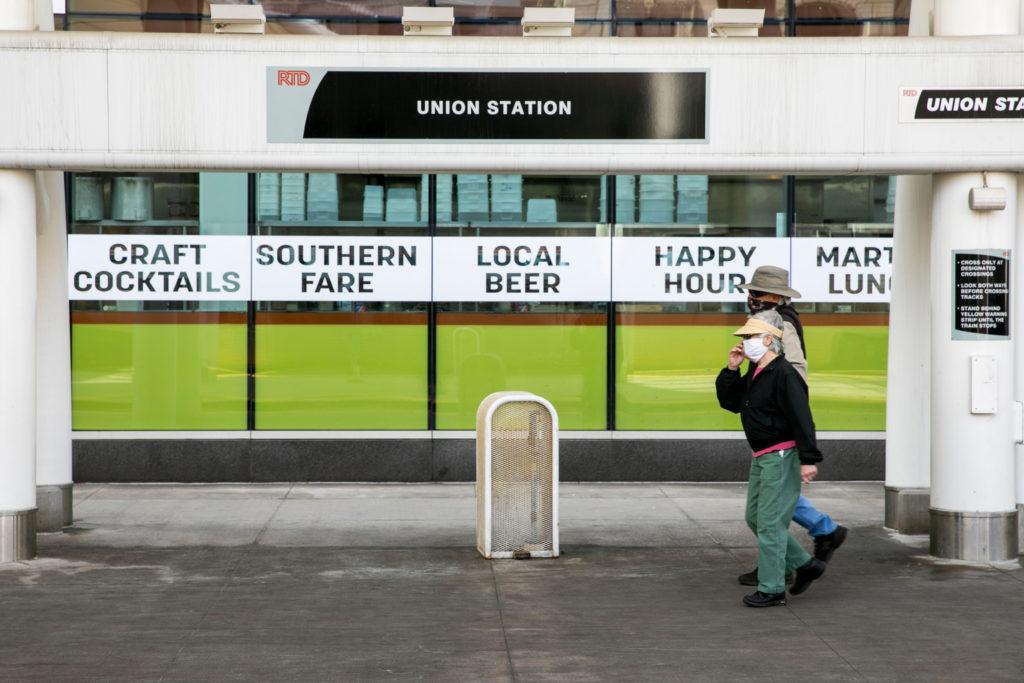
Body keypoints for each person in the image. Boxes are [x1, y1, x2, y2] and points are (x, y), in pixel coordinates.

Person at [735, 266, 848, 588]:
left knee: (772, 503)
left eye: (756, 294)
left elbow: (795, 369)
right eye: (750, 293)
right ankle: (796, 551)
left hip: (778, 419)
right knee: (770, 502)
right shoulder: (768, 318)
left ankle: (807, 547)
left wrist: (774, 396)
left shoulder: (781, 321)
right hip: (770, 416)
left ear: (773, 296)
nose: (750, 299)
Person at [716, 310, 828, 607]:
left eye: (750, 337)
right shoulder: (755, 372)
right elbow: (730, 403)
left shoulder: (784, 374)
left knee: (769, 524)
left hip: (781, 455)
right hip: (763, 455)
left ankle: (772, 588)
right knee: (755, 517)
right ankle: (805, 565)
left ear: (769, 339)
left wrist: (808, 458)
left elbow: (803, 418)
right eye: (745, 337)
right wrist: (731, 369)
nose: (745, 342)